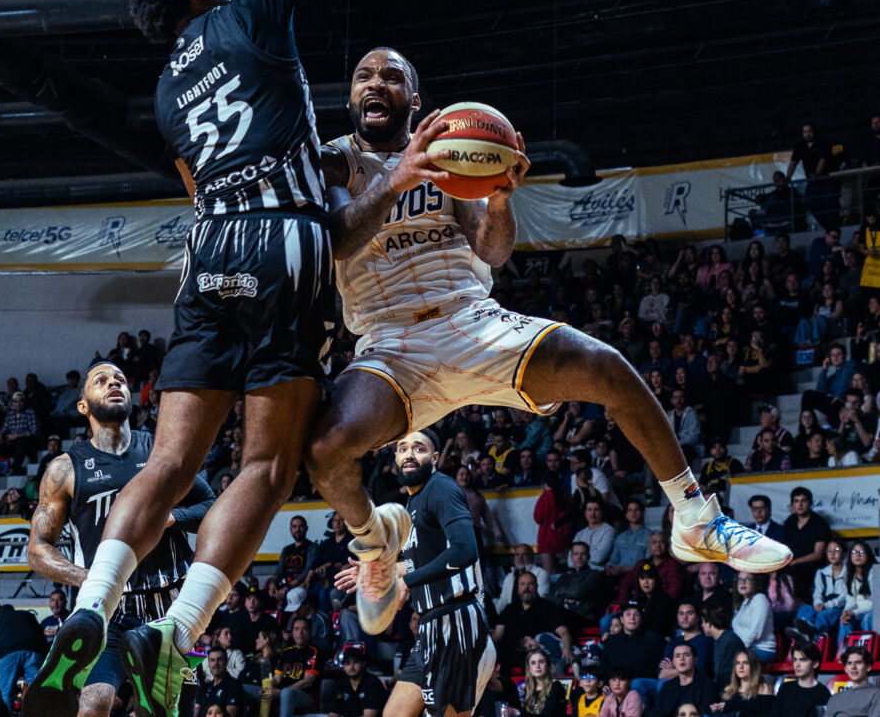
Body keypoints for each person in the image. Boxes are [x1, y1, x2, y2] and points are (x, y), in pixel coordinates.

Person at [23, 0, 379, 717]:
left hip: (209, 250)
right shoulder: (249, 10)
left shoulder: (169, 97)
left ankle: (93, 606)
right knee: (265, 465)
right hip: (282, 241)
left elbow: (197, 190)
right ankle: (173, 632)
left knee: (171, 460)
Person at [305, 48, 790, 637]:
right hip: (390, 339)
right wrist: (396, 179)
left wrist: (502, 200)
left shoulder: (448, 157)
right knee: (326, 449)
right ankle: (374, 544)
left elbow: (492, 250)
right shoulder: (332, 161)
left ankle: (696, 519)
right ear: (351, 97)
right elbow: (336, 241)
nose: (374, 84)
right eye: (363, 77)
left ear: (415, 99)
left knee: (608, 368)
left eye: (391, 77)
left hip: (471, 319)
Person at [24, 361, 214, 717]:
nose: (114, 384)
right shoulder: (64, 468)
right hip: (109, 606)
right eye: (101, 381)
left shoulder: (163, 452)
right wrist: (88, 578)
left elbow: (213, 508)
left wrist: (173, 517)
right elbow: (37, 549)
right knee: (92, 705)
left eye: (121, 380)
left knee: (163, 712)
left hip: (168, 607)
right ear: (83, 405)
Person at [336, 430, 495, 717]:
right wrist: (380, 569)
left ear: (434, 458)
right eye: (402, 449)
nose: (409, 454)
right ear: (395, 459)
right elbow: (421, 562)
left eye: (419, 448)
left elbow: (464, 550)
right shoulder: (413, 504)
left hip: (457, 624)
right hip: (430, 628)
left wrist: (403, 583)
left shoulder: (441, 489)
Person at [654, 642, 716, 717]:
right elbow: (657, 713)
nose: (681, 659)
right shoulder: (667, 687)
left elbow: (708, 713)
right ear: (673, 662)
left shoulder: (708, 685)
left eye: (686, 655)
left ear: (695, 659)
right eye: (677, 656)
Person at [325, 643, 386, 717]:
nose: (352, 667)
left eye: (356, 662)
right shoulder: (340, 684)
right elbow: (333, 714)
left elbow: (369, 716)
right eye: (347, 663)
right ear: (343, 666)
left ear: (363, 663)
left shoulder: (373, 683)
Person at [771, 642, 828, 717]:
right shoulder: (785, 688)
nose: (797, 664)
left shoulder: (823, 693)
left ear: (815, 664)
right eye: (794, 659)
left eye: (802, 660)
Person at [824, 644, 880, 717]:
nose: (853, 667)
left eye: (858, 663)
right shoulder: (835, 698)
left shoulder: (876, 695)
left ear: (868, 667)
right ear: (845, 669)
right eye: (849, 663)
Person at [731, 573, 776, 662]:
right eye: (740, 579)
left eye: (747, 579)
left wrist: (737, 648)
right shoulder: (742, 603)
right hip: (745, 649)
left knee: (730, 658)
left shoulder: (760, 599)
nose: (743, 583)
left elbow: (755, 632)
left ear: (755, 583)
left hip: (762, 650)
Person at [716, 650, 773, 717]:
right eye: (737, 663)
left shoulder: (764, 689)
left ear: (753, 666)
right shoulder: (729, 691)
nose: (741, 667)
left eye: (745, 663)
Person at [193, 645, 244, 717]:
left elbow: (232, 714)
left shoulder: (234, 685)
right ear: (209, 663)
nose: (216, 663)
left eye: (219, 659)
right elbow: (196, 712)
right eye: (212, 660)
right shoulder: (204, 688)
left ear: (226, 661)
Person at [517, 647, 565, 717]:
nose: (537, 666)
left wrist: (518, 713)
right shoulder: (527, 690)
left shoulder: (556, 687)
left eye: (541, 662)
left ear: (548, 665)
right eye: (533, 663)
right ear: (529, 668)